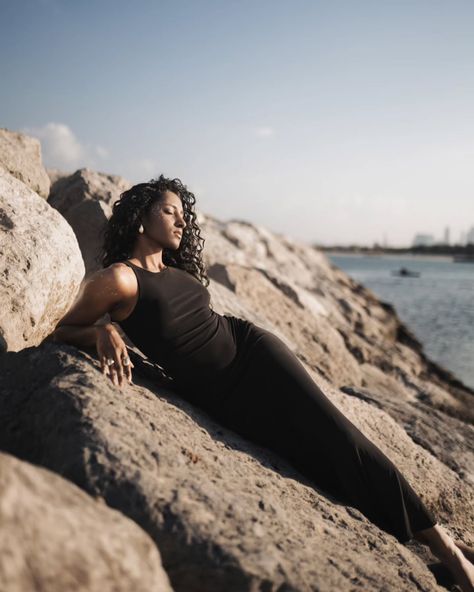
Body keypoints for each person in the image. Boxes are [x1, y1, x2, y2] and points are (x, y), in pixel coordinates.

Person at [49, 175, 474, 591]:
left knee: (343, 438)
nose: (181, 222)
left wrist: (106, 329)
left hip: (255, 355)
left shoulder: (174, 269)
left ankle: (449, 553)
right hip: (225, 397)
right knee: (317, 461)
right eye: (169, 212)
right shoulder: (120, 278)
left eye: (182, 214)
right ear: (141, 220)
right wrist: (103, 331)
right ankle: (426, 541)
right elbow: (60, 326)